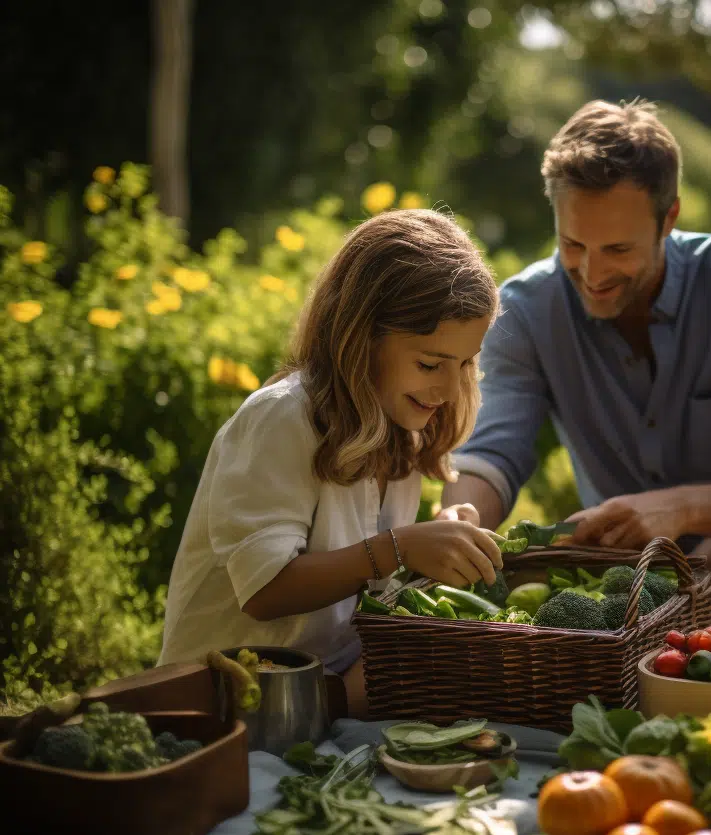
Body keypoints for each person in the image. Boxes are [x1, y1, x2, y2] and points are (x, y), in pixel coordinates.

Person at [440, 100, 711, 643]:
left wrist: (680, 509)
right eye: (573, 244)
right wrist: (460, 520)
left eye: (617, 248)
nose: (592, 273)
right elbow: (492, 453)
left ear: (670, 218)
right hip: (626, 576)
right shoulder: (527, 310)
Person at [158, 209, 505, 718]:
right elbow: (265, 590)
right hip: (224, 704)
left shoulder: (405, 430)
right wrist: (400, 549)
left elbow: (365, 581)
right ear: (359, 338)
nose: (451, 388)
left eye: (466, 363)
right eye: (431, 364)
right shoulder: (283, 418)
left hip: (327, 690)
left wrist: (436, 542)